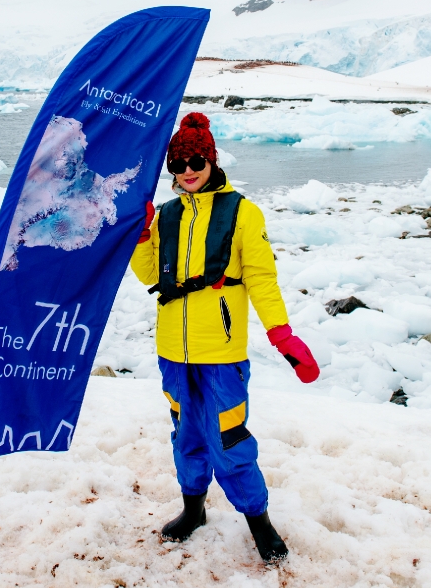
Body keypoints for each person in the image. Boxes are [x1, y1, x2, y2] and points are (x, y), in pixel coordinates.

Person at [131, 112, 319, 565]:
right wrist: (141, 238)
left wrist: (282, 334)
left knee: (230, 438)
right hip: (173, 352)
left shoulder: (242, 212)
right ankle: (193, 510)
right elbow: (151, 275)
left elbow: (261, 277)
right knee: (186, 434)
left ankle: (260, 522)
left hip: (221, 352)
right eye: (177, 164)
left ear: (212, 161)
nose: (187, 171)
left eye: (195, 160)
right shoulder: (169, 215)